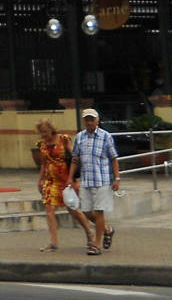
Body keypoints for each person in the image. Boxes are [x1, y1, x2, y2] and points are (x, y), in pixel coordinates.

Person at [34, 118, 95, 253]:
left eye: (45, 131)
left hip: (66, 179)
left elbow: (74, 157)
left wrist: (72, 177)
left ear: (51, 129)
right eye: (41, 132)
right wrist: (40, 181)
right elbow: (44, 165)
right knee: (49, 209)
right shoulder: (42, 145)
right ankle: (53, 242)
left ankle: (90, 234)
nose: (44, 134)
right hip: (51, 180)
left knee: (73, 209)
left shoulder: (63, 139)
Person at [69, 108, 119, 254]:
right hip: (86, 180)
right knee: (85, 211)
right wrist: (70, 177)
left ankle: (96, 245)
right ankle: (107, 229)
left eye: (92, 119)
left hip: (102, 180)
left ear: (97, 121)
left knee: (99, 212)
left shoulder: (106, 136)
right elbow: (75, 159)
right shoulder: (79, 137)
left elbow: (113, 158)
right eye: (87, 119)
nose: (89, 122)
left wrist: (117, 178)